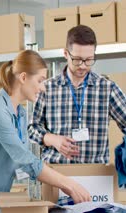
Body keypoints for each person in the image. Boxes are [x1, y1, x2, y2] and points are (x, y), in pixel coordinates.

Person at [0, 50, 91, 204]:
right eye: (40, 80)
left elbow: (23, 160)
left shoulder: (21, 114)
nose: (43, 88)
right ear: (23, 77)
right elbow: (23, 159)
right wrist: (68, 184)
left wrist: (54, 173)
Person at [28, 25, 126, 164]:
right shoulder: (47, 88)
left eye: (88, 60)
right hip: (56, 173)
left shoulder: (107, 88)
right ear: (66, 54)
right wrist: (52, 139)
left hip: (95, 175)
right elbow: (32, 128)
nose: (83, 66)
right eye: (77, 59)